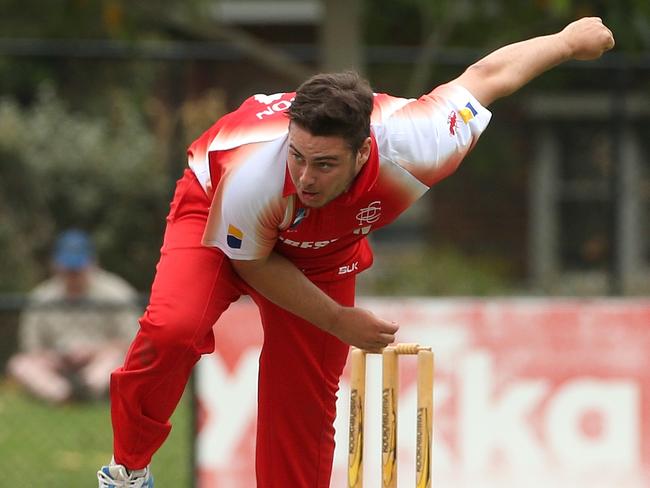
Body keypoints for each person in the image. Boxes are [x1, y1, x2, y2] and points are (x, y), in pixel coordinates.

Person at [97, 17, 614, 488]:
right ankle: (129, 470)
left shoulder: (419, 141)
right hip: (217, 208)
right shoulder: (256, 169)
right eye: (297, 157)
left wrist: (566, 42)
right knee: (174, 327)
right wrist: (339, 320)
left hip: (324, 251)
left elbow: (488, 76)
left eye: (323, 164)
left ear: (363, 151)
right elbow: (251, 262)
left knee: (303, 397)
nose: (304, 177)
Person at [7, 229, 140, 404]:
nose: (73, 275)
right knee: (20, 364)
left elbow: (135, 343)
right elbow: (31, 349)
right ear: (55, 265)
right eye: (68, 269)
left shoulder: (116, 293)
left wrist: (94, 352)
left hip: (102, 363)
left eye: (78, 269)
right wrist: (54, 357)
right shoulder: (41, 297)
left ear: (93, 263)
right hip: (57, 369)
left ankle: (89, 391)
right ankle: (63, 395)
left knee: (114, 359)